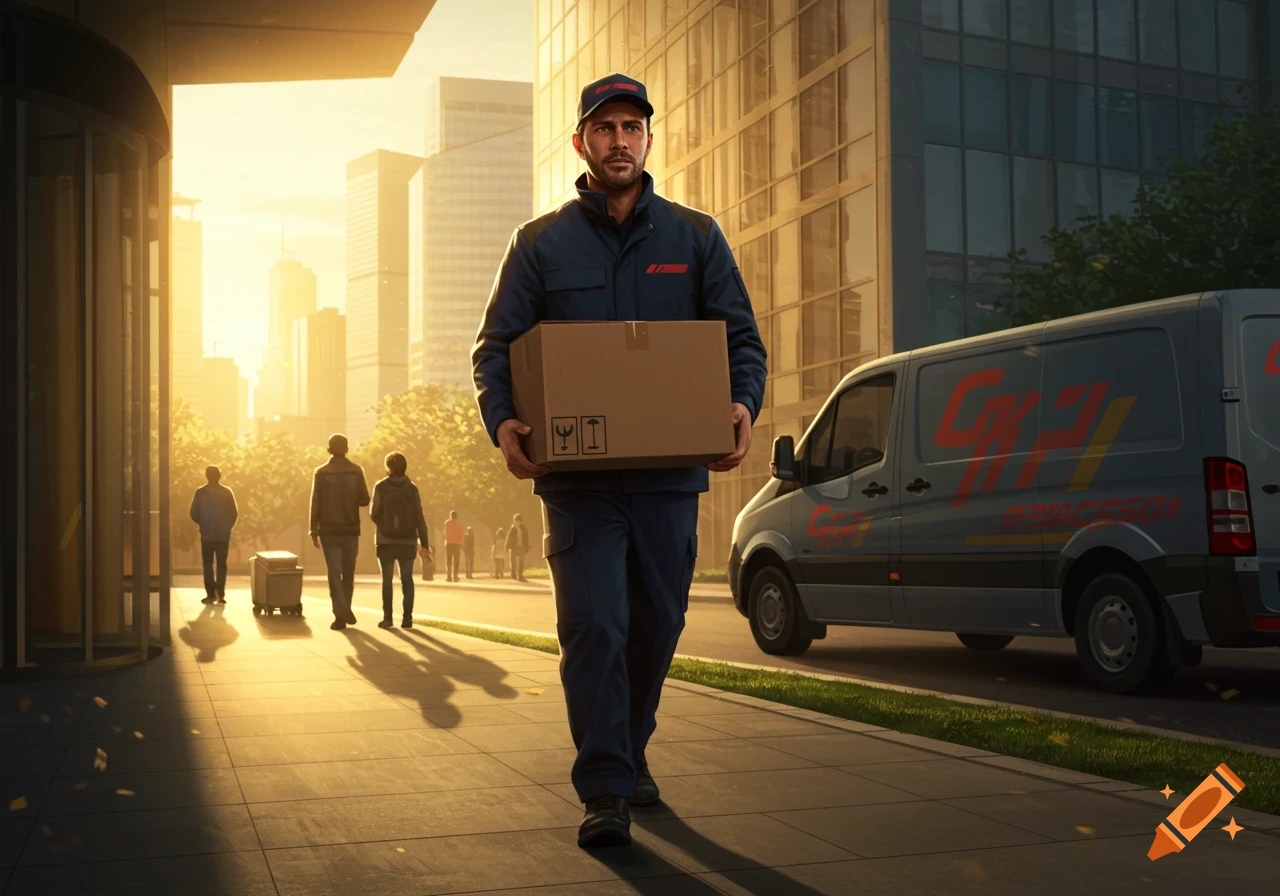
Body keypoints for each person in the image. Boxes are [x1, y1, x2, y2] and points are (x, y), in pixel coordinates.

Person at [471, 72, 766, 849]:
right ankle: (605, 786)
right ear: (581, 143)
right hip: (580, 484)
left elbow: (739, 338)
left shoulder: (696, 238)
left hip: (670, 479)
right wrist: (503, 421)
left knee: (658, 622)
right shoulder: (539, 244)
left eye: (632, 127)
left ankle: (631, 749)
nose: (619, 141)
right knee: (595, 626)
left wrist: (742, 405)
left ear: (648, 139)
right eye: (604, 129)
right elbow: (496, 348)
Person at [308, 433, 371, 631]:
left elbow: (315, 502)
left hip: (328, 530)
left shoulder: (321, 472)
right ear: (346, 449)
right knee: (348, 573)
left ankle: (340, 615)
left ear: (329, 449)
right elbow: (364, 500)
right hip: (350, 529)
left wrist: (313, 529)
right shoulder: (356, 471)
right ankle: (346, 608)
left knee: (334, 573)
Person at [369, 452, 431, 629]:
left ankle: (387, 618)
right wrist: (424, 543)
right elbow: (419, 517)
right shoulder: (412, 488)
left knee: (386, 580)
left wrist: (385, 525)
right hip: (407, 541)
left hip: (385, 541)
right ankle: (407, 618)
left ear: (388, 467)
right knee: (407, 578)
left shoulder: (380, 486)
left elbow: (374, 513)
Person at [189, 465, 238, 605]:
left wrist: (203, 524)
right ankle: (220, 594)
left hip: (207, 536)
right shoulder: (227, 492)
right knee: (222, 564)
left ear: (206, 476)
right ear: (219, 475)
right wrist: (227, 526)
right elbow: (234, 513)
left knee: (208, 564)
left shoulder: (200, 492)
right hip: (223, 535)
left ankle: (210, 594)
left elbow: (193, 512)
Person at [505, 513, 529, 582]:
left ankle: (520, 576)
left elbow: (526, 538)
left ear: (521, 521)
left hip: (521, 547)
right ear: (514, 521)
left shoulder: (524, 528)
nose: (518, 522)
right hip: (514, 547)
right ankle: (513, 575)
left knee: (521, 562)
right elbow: (508, 538)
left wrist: (526, 547)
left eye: (519, 521)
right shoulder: (512, 529)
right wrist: (507, 547)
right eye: (516, 521)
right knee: (513, 562)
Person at [443, 510, 464, 582]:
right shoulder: (459, 524)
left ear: (450, 515)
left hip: (449, 543)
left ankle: (449, 576)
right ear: (456, 516)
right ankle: (455, 576)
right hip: (457, 544)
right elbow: (461, 535)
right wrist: (461, 544)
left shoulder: (447, 523)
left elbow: (445, 533)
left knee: (448, 561)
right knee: (456, 561)